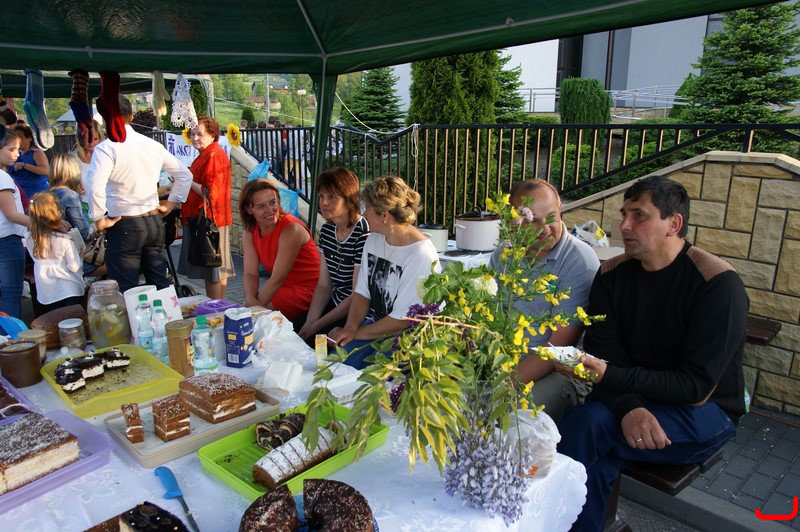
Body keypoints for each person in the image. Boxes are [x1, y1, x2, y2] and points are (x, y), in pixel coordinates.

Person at [557, 175, 748, 531]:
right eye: (624, 214)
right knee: (590, 437)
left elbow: (695, 386)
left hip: (706, 409)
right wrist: (629, 406)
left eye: (639, 215)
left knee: (587, 430)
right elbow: (605, 353)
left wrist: (615, 386)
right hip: (632, 395)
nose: (624, 225)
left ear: (674, 224)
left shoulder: (717, 283)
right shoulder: (611, 275)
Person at [489, 178, 600, 421]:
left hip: (559, 369)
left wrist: (503, 385)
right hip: (509, 359)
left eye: (551, 217)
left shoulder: (579, 260)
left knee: (510, 416)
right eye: (533, 222)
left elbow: (559, 345)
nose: (545, 229)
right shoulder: (505, 253)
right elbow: (491, 316)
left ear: (560, 209)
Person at [329, 175, 440, 369]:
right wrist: (350, 328)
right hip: (379, 326)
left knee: (361, 375)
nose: (364, 214)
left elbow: (403, 321)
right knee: (334, 362)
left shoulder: (420, 254)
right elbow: (362, 292)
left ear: (385, 215)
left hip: (410, 338)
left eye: (368, 209)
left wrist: (355, 333)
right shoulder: (374, 239)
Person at [86, 95, 192, 294]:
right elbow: (184, 175)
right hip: (152, 222)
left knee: (127, 289)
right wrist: (170, 204)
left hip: (126, 224)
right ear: (132, 116)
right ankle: (167, 313)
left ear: (106, 119)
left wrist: (98, 218)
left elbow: (94, 186)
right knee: (160, 285)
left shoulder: (107, 148)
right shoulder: (151, 145)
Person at [298, 167, 370, 340]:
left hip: (355, 314)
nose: (324, 202)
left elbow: (356, 296)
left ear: (349, 200)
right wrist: (309, 323)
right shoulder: (327, 230)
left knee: (315, 342)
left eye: (332, 197)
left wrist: (316, 326)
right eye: (322, 196)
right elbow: (324, 285)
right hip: (334, 302)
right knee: (293, 331)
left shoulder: (363, 233)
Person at [239, 179, 320, 329]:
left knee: (249, 319)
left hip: (307, 289)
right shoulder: (250, 232)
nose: (270, 210)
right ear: (249, 209)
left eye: (272, 202)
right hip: (282, 287)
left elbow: (277, 279)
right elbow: (250, 273)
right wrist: (249, 298)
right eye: (261, 206)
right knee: (247, 313)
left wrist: (253, 308)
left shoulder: (291, 229)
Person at [178, 116, 234, 300]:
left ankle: (214, 308)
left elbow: (210, 192)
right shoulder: (208, 153)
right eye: (192, 134)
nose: (195, 138)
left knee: (212, 270)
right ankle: (219, 305)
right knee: (218, 269)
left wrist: (187, 180)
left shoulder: (212, 155)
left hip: (209, 220)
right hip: (214, 218)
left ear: (212, 135)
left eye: (199, 134)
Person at [25, 191, 85, 313]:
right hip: (69, 288)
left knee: (54, 320)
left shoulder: (30, 238)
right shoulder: (64, 239)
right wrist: (81, 255)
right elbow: (74, 267)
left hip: (47, 292)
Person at [0, 128, 29, 323]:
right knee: (11, 295)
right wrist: (44, 224)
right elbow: (12, 215)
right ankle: (11, 338)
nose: (17, 154)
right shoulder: (3, 177)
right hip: (7, 242)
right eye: (11, 149)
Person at [71, 120, 106, 213]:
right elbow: (64, 183)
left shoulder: (107, 157)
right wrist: (74, 186)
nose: (91, 143)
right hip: (82, 206)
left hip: (105, 205)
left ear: (101, 138)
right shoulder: (72, 158)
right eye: (88, 139)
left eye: (95, 139)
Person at [8, 123, 49, 201]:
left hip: (37, 196)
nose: (18, 140)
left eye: (20, 137)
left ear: (29, 139)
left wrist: (25, 165)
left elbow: (46, 171)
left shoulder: (37, 153)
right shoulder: (16, 154)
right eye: (15, 137)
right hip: (20, 195)